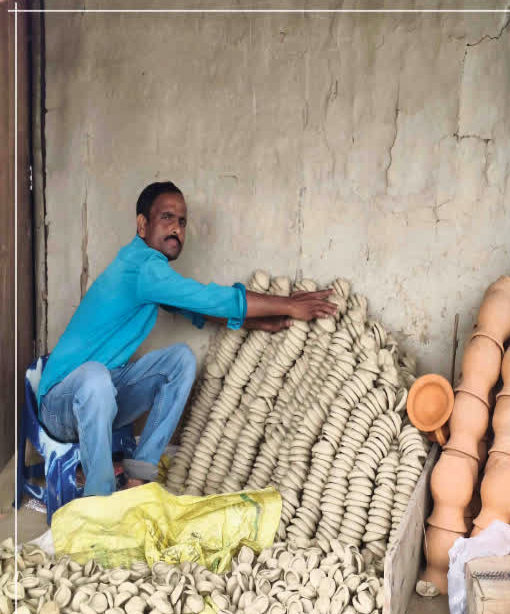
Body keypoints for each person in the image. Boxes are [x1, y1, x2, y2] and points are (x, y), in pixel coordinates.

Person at [37, 181, 338, 496]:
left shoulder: (152, 274)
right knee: (96, 376)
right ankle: (98, 500)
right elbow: (209, 299)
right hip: (59, 404)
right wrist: (290, 304)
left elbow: (198, 309)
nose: (176, 228)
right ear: (142, 225)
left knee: (180, 360)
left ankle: (139, 476)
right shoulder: (141, 267)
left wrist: (260, 322)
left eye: (181, 221)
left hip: (102, 395)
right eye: (166, 217)